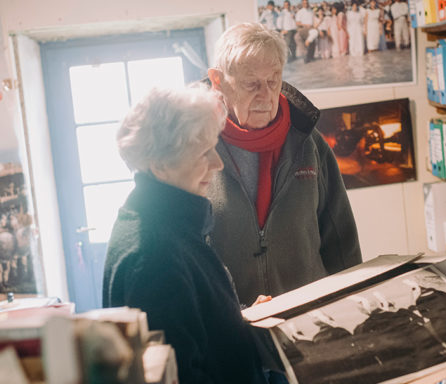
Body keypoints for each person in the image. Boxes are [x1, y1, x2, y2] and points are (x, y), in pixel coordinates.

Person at [102, 86, 266, 384]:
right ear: (160, 164)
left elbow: (194, 323)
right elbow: (184, 374)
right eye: (204, 152)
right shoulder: (155, 255)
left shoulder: (163, 222)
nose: (218, 164)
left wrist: (237, 318)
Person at [206, 23, 362, 306]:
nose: (266, 96)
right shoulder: (198, 151)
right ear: (218, 81)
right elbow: (191, 261)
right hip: (237, 328)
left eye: (274, 81)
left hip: (314, 316)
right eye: (251, 84)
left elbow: (341, 239)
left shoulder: (309, 143)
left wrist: (352, 305)